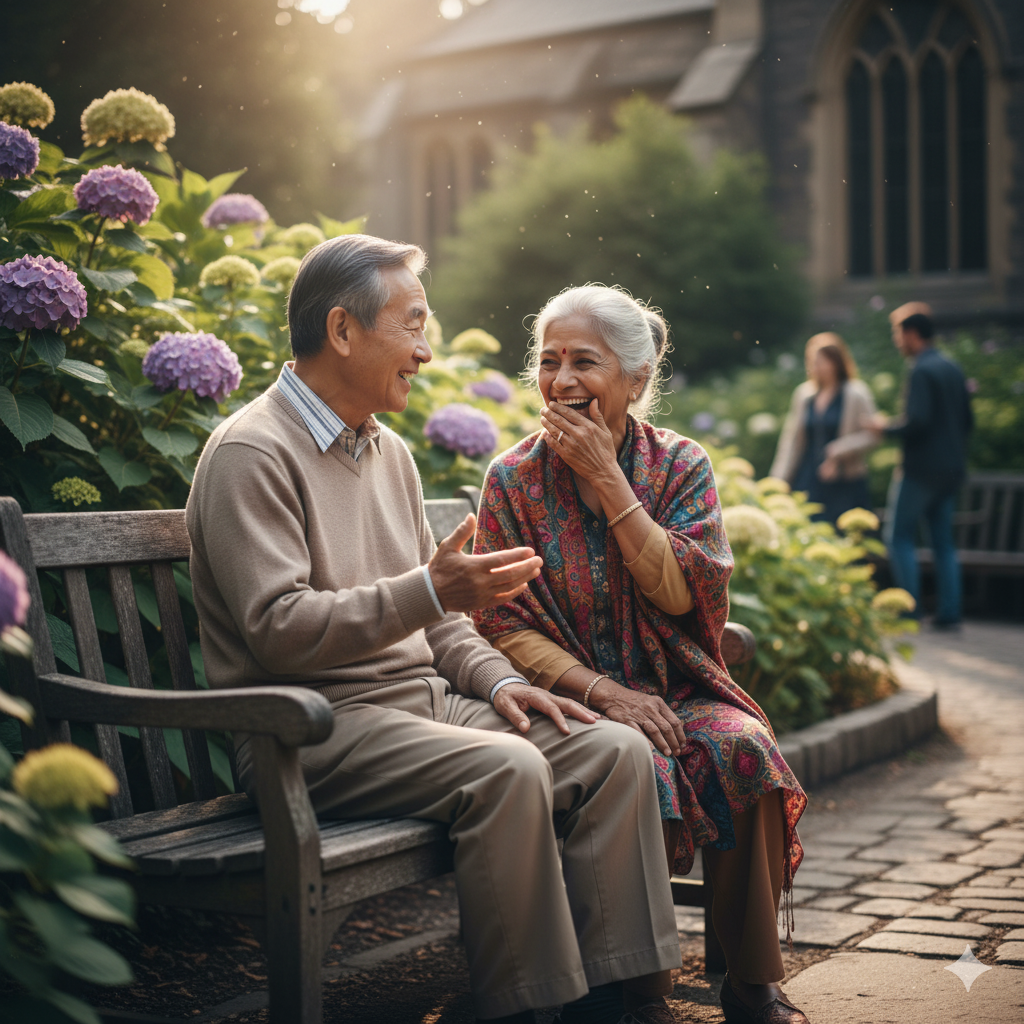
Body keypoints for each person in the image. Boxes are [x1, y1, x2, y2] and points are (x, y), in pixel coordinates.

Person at [185, 238, 684, 1024]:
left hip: (423, 708)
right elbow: (279, 631)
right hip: (308, 728)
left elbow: (444, 622)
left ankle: (624, 998)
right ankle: (525, 1007)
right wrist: (427, 590)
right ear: (343, 331)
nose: (425, 349)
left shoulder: (388, 452)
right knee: (508, 770)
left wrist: (507, 682)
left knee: (613, 749)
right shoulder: (253, 451)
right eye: (413, 324)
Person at [472, 285, 810, 1024]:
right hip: (575, 699)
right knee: (634, 759)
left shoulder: (681, 466)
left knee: (743, 748)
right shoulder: (512, 480)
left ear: (635, 380)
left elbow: (683, 594)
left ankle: (753, 983)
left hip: (677, 686)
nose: (561, 381)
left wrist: (609, 479)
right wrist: (603, 692)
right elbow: (501, 623)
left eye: (583, 363)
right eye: (549, 361)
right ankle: (637, 990)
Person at [876, 304, 973, 629]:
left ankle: (909, 609)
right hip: (951, 470)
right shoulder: (952, 367)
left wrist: (883, 427)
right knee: (943, 543)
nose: (897, 341)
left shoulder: (920, 369)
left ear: (912, 334)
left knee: (899, 536)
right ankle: (950, 613)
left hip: (919, 471)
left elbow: (917, 422)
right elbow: (968, 422)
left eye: (897, 334)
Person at [769, 333, 878, 523]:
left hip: (845, 480)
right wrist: (777, 481)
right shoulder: (804, 395)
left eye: (822, 361)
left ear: (837, 362)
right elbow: (791, 441)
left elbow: (874, 434)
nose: (816, 367)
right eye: (813, 362)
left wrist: (839, 451)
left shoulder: (856, 394)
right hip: (808, 476)